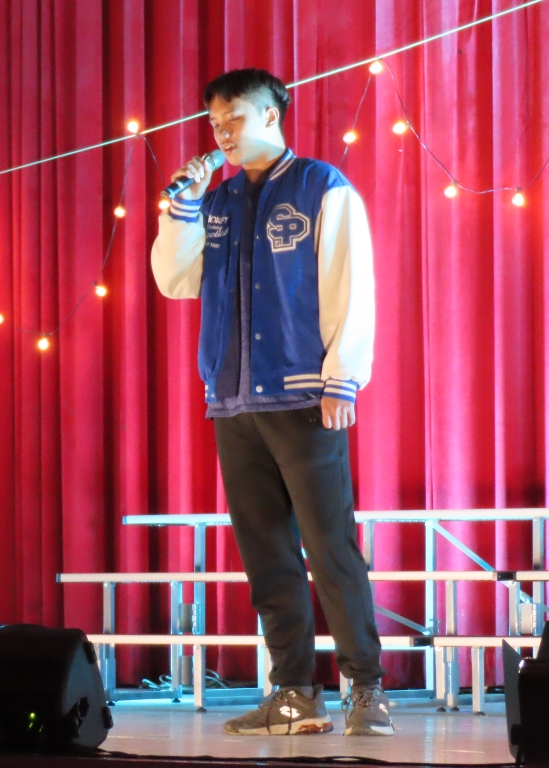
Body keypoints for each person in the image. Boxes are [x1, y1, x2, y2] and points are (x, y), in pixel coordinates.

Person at [150, 68, 390, 737]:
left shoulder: (320, 186)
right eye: (215, 123)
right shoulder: (216, 201)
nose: (223, 133)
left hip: (305, 394)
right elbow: (176, 280)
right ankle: (293, 692)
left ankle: (366, 688)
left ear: (272, 115)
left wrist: (344, 377)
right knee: (268, 556)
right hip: (234, 401)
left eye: (236, 118)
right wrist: (182, 208)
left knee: (330, 547)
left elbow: (351, 281)